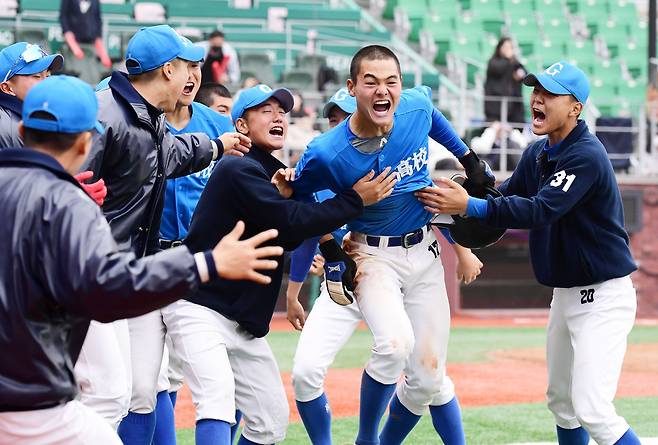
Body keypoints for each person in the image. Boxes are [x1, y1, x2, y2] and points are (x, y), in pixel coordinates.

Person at [0, 74, 282, 445]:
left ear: (22, 127)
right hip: (30, 403)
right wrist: (205, 264)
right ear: (86, 141)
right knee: (114, 397)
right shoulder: (70, 203)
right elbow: (109, 286)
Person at [417, 61, 642, 445]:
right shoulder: (538, 152)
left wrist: (469, 206)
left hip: (604, 297)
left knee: (592, 409)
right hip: (566, 296)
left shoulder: (585, 155)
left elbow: (539, 210)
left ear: (576, 108)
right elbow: (503, 200)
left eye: (550, 93)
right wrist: (451, 208)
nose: (537, 98)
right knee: (562, 403)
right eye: (535, 90)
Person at [160, 83, 397, 445]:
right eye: (265, 110)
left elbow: (285, 235)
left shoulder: (275, 176)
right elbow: (289, 222)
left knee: (269, 422)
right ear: (241, 126)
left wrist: (293, 197)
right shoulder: (235, 168)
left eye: (282, 111)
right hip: (198, 307)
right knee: (217, 401)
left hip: (238, 319)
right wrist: (353, 200)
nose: (278, 116)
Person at [286, 45, 493, 445]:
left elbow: (431, 115)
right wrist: (330, 251)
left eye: (390, 82)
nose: (383, 91)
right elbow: (298, 198)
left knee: (430, 379)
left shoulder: (413, 108)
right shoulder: (326, 152)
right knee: (394, 345)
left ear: (400, 86)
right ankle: (366, 439)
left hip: (424, 253)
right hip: (369, 255)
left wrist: (468, 159)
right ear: (352, 88)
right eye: (371, 82)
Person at [79, 25, 250, 443]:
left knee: (128, 393)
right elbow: (66, 184)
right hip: (91, 273)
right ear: (168, 70)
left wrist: (217, 146)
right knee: (105, 396)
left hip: (121, 269)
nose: (194, 74)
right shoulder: (106, 115)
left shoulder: (143, 115)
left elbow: (169, 155)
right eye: (186, 65)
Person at [153, 59, 240, 445]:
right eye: (181, 67)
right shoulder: (142, 122)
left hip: (204, 263)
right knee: (146, 381)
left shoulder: (217, 125)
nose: (190, 76)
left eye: (196, 67)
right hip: (147, 257)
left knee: (220, 378)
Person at [0, 42, 106, 205]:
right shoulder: (8, 126)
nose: (46, 82)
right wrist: (68, 196)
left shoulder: (28, 118)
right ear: (7, 88)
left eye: (47, 76)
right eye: (36, 76)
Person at [60, 0, 112, 84]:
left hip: (91, 46)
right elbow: (63, 18)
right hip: (73, 47)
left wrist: (102, 53)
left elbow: (98, 21)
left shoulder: (95, 2)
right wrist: (73, 45)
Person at [484, 37, 527, 128]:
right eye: (506, 47)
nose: (509, 50)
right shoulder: (494, 62)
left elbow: (524, 73)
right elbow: (498, 69)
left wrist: (520, 74)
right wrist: (509, 59)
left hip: (513, 109)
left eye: (510, 47)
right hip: (496, 109)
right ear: (500, 48)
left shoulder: (515, 63)